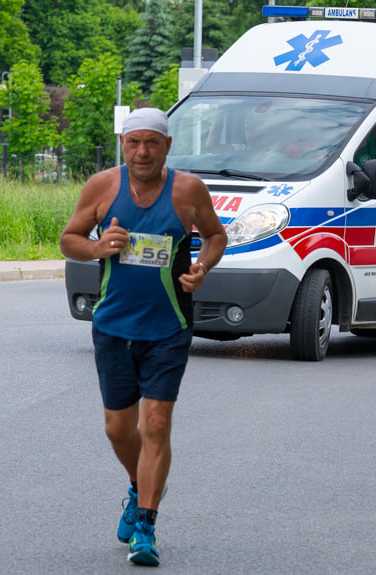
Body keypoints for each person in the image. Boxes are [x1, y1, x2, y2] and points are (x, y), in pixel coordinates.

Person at [59, 107, 227, 566]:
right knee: (118, 429)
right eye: (134, 143)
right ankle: (140, 487)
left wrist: (201, 268)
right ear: (123, 146)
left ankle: (146, 527)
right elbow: (69, 238)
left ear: (167, 146)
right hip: (113, 324)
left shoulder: (188, 190)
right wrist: (96, 247)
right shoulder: (103, 187)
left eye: (152, 142)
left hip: (168, 326)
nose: (142, 151)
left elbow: (216, 236)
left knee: (155, 425)